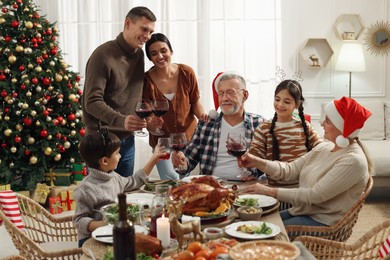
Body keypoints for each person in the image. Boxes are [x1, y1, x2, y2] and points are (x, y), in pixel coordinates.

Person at [240, 97, 373, 227]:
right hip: (304, 212)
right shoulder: (325, 147)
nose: (322, 124)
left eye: (327, 121)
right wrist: (257, 162)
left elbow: (314, 196)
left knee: (263, 231)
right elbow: (290, 170)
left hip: (323, 222)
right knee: (255, 221)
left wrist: (269, 191)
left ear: (342, 128)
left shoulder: (353, 160)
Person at [82, 6, 156, 177]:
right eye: (144, 29)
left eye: (151, 31)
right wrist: (121, 120)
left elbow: (132, 93)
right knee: (101, 198)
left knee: (124, 197)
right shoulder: (102, 55)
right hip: (102, 141)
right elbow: (92, 101)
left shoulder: (138, 54)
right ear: (128, 23)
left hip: (127, 140)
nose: (147, 36)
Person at [73, 131, 165, 247]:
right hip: (92, 239)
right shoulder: (85, 189)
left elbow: (134, 181)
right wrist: (106, 224)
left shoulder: (113, 176)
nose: (120, 156)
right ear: (105, 161)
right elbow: (78, 221)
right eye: (117, 153)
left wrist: (154, 159)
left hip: (114, 233)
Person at [171, 72, 265, 181]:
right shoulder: (206, 125)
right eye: (221, 93)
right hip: (211, 188)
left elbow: (271, 164)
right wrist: (181, 163)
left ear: (245, 95)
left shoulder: (259, 124)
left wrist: (259, 177)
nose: (224, 98)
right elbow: (188, 162)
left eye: (230, 92)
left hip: (248, 187)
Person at [143, 33, 207, 180]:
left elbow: (195, 102)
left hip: (187, 138)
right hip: (162, 141)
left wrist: (202, 118)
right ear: (150, 58)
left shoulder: (187, 72)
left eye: (163, 51)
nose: (160, 56)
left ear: (171, 51)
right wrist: (150, 124)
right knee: (170, 181)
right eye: (154, 54)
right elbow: (147, 115)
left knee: (183, 180)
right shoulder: (146, 81)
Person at [249, 79, 323, 185]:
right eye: (277, 99)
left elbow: (321, 148)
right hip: (273, 189)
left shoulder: (304, 126)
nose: (280, 104)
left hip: (302, 188)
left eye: (287, 101)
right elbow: (254, 156)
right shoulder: (264, 128)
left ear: (297, 104)